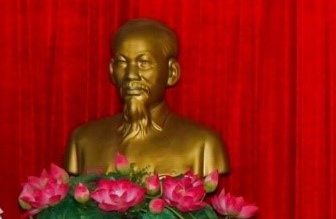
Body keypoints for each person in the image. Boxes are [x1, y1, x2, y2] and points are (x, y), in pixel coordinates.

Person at [64, 18, 230, 176]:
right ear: (112, 71)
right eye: (122, 63)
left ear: (172, 72)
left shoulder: (203, 144)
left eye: (144, 63)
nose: (131, 75)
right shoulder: (83, 140)